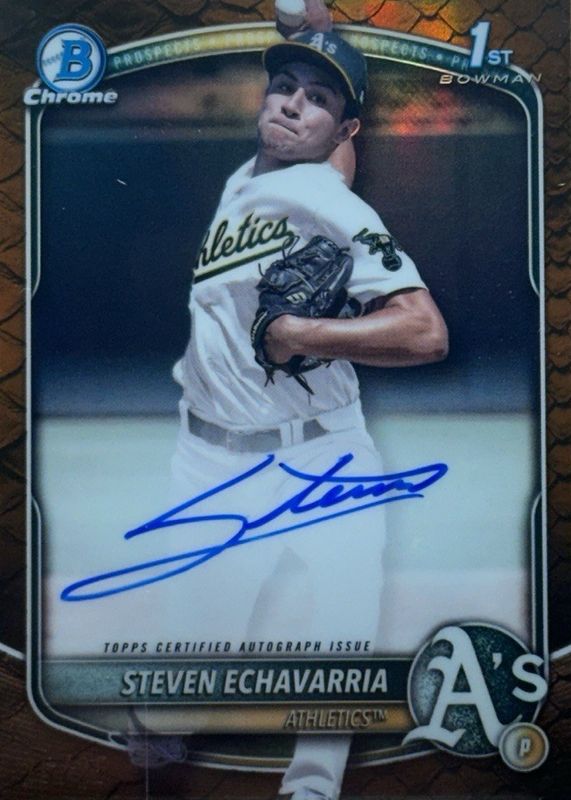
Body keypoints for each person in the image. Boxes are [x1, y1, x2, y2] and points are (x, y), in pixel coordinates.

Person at [164, 21, 448, 800]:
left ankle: (313, 784)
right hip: (210, 458)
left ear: (343, 130)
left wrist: (303, 334)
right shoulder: (249, 176)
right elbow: (332, 162)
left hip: (321, 456)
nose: (291, 105)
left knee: (338, 631)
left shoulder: (333, 205)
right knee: (195, 651)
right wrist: (317, 32)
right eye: (284, 87)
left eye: (316, 100)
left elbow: (425, 332)